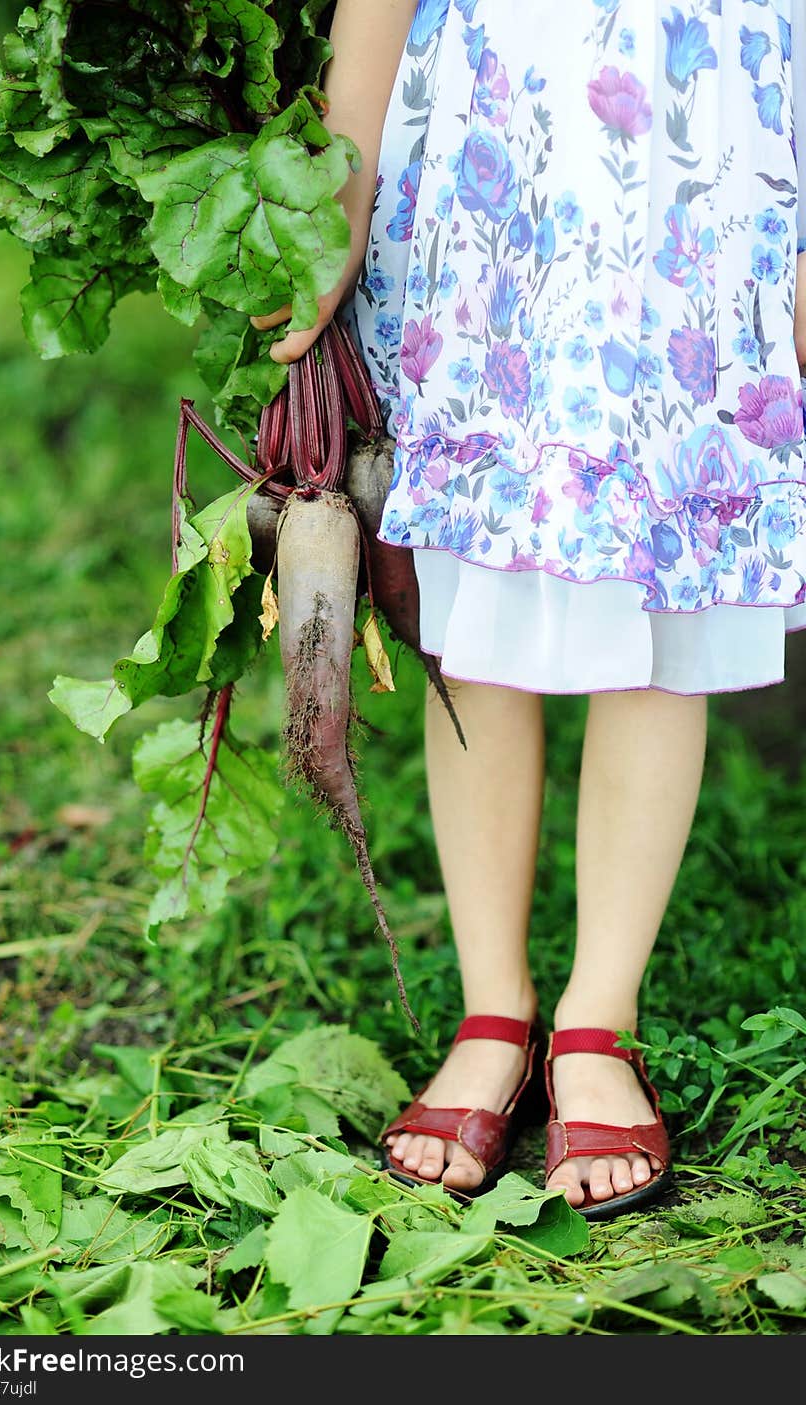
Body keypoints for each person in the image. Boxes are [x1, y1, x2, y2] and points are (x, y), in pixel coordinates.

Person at [251, 0, 806, 1218]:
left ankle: (597, 1021)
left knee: (668, 599)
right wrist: (341, 198)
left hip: (715, 159)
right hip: (495, 159)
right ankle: (493, 1004)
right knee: (479, 599)